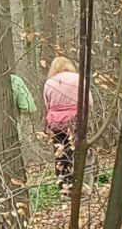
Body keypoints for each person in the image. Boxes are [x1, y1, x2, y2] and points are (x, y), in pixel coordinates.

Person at [43, 57, 84, 195]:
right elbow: (88, 101)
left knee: (60, 154)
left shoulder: (49, 83)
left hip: (55, 123)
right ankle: (75, 185)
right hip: (75, 121)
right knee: (74, 152)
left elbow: (47, 104)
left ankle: (62, 186)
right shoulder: (78, 79)